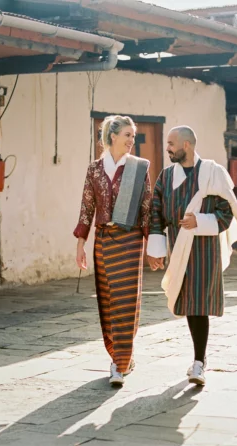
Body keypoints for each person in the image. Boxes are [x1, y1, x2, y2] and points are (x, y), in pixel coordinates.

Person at [147, 126, 237, 386]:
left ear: (187, 145)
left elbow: (227, 212)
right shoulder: (166, 177)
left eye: (171, 143)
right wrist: (156, 250)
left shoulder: (213, 173)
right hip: (178, 246)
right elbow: (155, 211)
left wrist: (200, 221)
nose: (167, 148)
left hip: (204, 250)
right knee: (188, 302)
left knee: (199, 304)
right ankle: (198, 360)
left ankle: (199, 362)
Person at [74, 115, 152, 387]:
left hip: (130, 242)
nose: (133, 140)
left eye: (134, 135)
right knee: (108, 301)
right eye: (128, 135)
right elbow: (87, 208)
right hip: (103, 242)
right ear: (113, 137)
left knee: (127, 303)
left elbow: (146, 209)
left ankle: (119, 364)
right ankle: (120, 357)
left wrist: (153, 247)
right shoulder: (94, 169)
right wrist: (80, 245)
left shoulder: (139, 167)